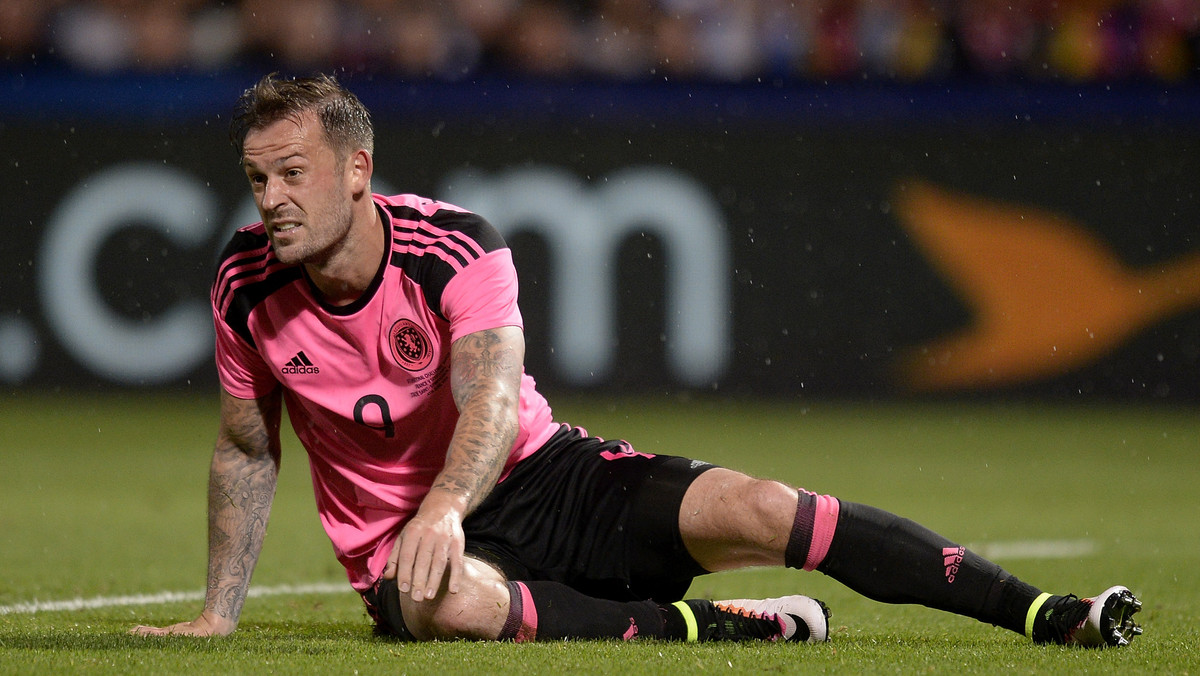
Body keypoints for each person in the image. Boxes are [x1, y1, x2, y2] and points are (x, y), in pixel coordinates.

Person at [131, 73, 1142, 647]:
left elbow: (487, 402)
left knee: (761, 507)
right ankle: (726, 633)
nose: (271, 198)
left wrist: (446, 499)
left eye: (293, 172)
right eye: (258, 177)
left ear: (357, 171)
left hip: (539, 477)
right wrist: (220, 613)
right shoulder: (245, 284)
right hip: (408, 549)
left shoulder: (454, 246)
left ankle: (1046, 614)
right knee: (439, 604)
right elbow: (247, 448)